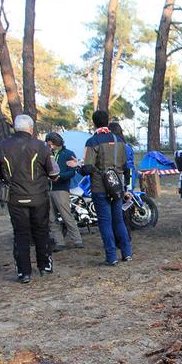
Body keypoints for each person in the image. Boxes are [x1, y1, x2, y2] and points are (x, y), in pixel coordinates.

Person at [0, 115, 60, 284]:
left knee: (21, 234)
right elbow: (53, 173)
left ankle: (24, 272)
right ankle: (44, 265)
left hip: (15, 197)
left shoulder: (2, 146)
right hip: (38, 196)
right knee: (41, 231)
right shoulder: (41, 146)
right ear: (30, 128)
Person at [68, 110, 132, 266]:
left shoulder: (93, 141)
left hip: (99, 187)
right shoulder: (120, 140)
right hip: (116, 186)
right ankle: (127, 253)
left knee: (105, 222)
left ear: (94, 123)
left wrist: (77, 167)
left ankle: (111, 257)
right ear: (108, 121)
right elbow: (125, 166)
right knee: (118, 221)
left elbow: (88, 168)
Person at [45, 132, 84, 252]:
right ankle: (59, 242)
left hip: (61, 189)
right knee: (51, 218)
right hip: (47, 189)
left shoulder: (68, 154)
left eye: (51, 144)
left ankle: (77, 240)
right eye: (48, 144)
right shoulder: (46, 154)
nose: (50, 146)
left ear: (57, 142)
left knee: (66, 215)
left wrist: (59, 177)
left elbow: (72, 172)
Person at [108, 122, 136, 190]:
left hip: (123, 178)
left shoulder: (120, 147)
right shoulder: (125, 146)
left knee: (127, 197)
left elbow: (128, 166)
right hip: (126, 177)